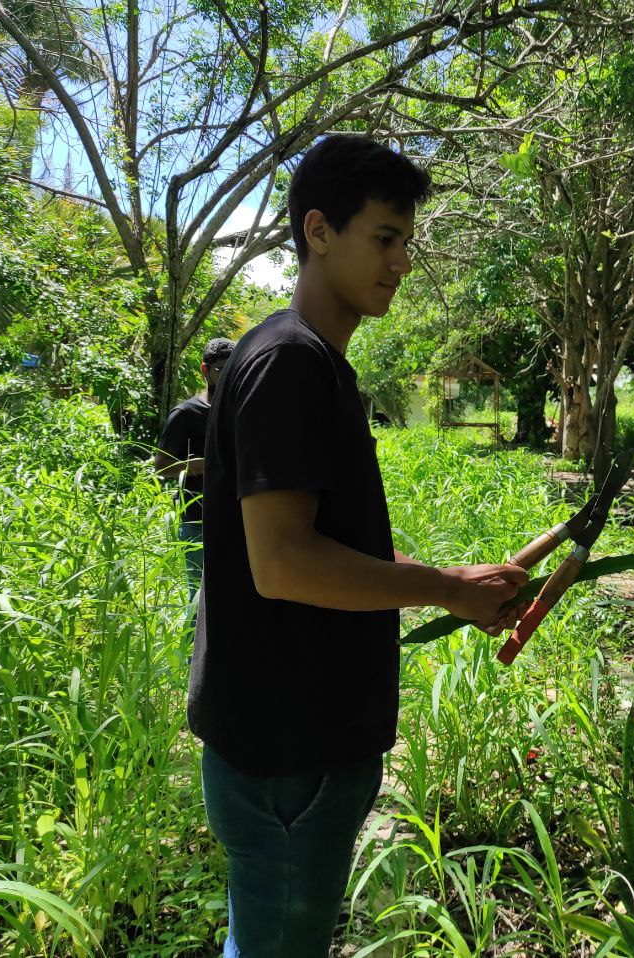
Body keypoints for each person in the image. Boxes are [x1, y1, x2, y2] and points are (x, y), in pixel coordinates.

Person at [188, 134, 528, 958]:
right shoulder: (287, 367)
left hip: (294, 740)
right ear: (318, 231)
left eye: (407, 241)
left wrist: (433, 576)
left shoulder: (309, 362)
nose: (402, 262)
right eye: (385, 238)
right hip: (286, 753)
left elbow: (318, 540)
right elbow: (282, 564)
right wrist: (444, 589)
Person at [155, 337, 236, 602]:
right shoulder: (186, 413)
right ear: (205, 370)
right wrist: (203, 465)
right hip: (197, 519)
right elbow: (162, 467)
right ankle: (193, 644)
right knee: (200, 599)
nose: (228, 375)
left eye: (234, 368)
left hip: (238, 516)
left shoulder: (239, 411)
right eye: (220, 369)